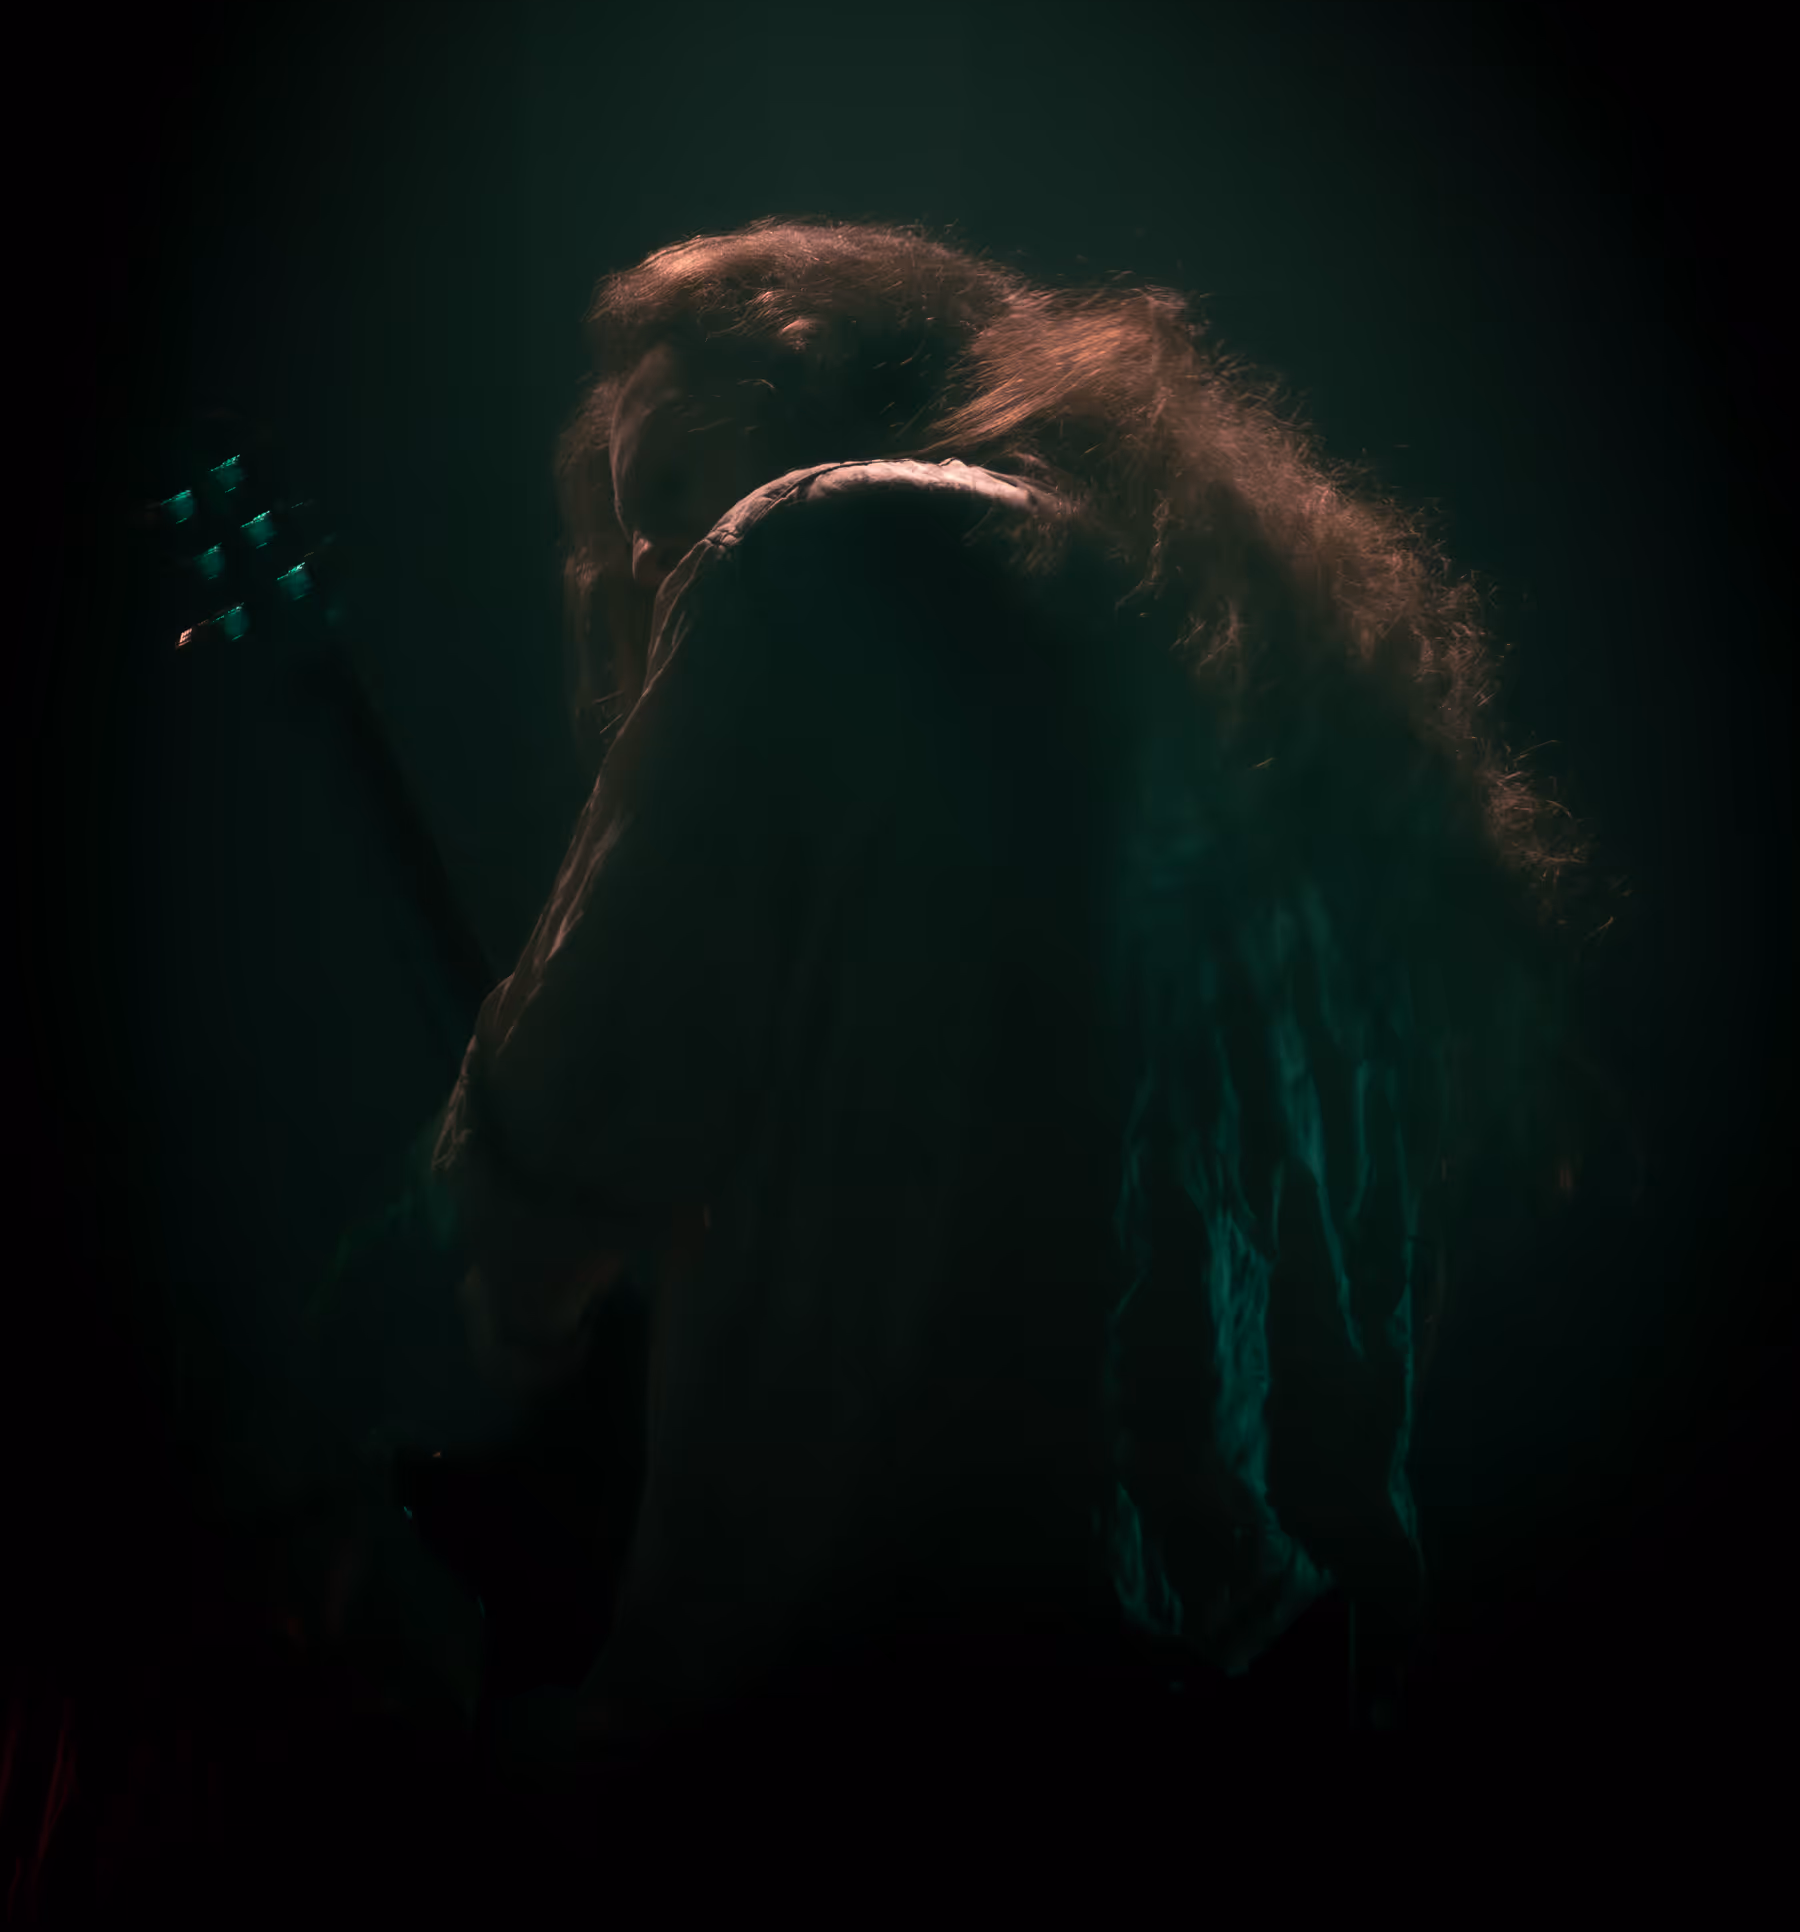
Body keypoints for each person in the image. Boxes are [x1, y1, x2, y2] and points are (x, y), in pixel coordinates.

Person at [426, 215, 1619, 1795]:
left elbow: (562, 1146)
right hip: (1253, 1686)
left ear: (833, 405)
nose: (651, 565)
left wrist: (516, 1315)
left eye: (673, 493)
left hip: (895, 1710)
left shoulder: (821, 546)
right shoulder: (1266, 701)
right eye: (629, 528)